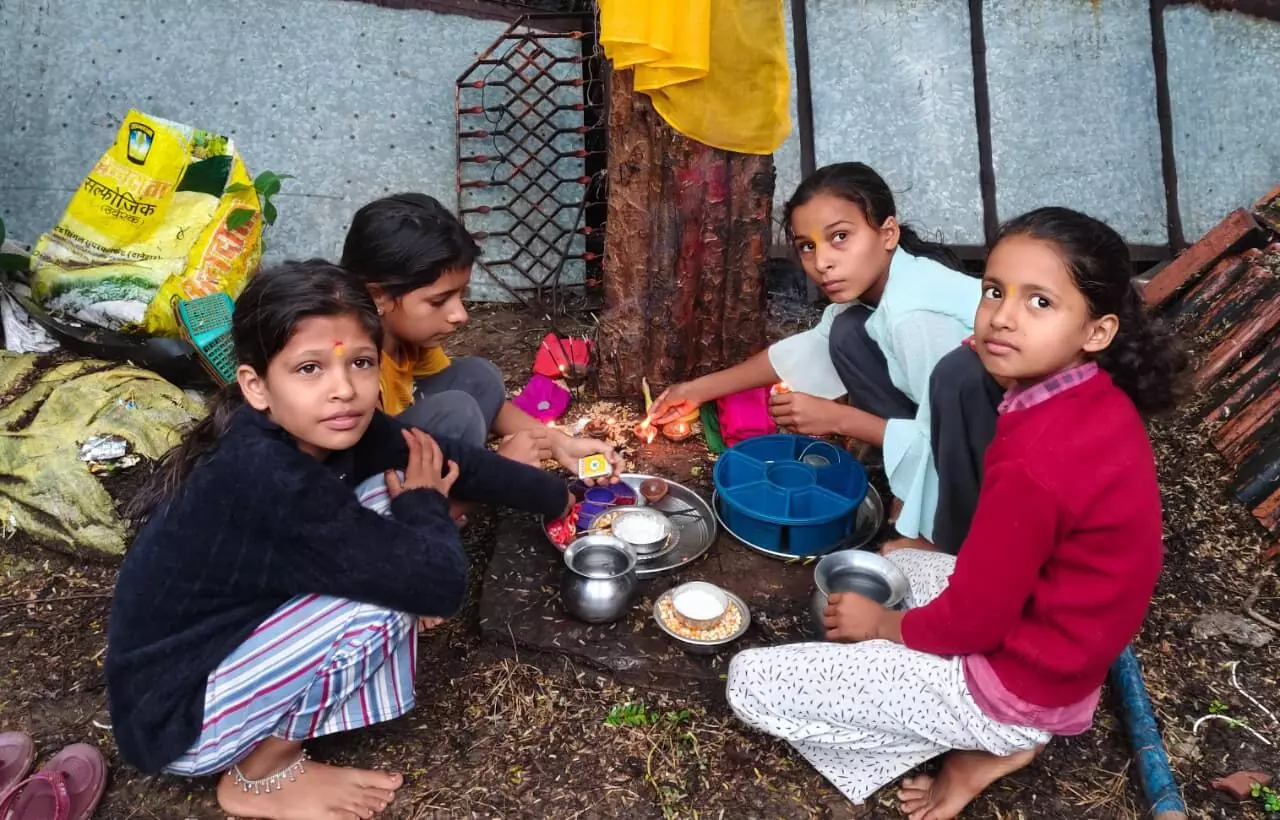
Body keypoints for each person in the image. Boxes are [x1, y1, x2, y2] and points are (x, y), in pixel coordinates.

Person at [726, 207, 1186, 820]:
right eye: (995, 291)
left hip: (1021, 681)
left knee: (751, 683)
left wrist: (880, 629)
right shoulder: (1085, 395)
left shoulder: (1037, 459)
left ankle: (988, 742)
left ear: (1096, 331)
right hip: (1068, 648)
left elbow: (975, 624)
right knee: (896, 560)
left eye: (1039, 303)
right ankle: (974, 719)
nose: (1002, 316)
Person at [106, 261, 572, 820]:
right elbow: (438, 588)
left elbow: (447, 458)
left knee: (386, 484)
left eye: (360, 362)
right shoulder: (267, 478)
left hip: (221, 646)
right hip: (178, 719)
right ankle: (260, 774)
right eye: (309, 368)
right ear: (257, 386)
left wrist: (556, 496)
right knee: (387, 601)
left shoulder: (323, 429)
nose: (343, 389)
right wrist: (423, 503)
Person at [647, 163, 984, 552]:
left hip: (993, 453)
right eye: (808, 245)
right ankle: (911, 481)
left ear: (887, 233)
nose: (821, 262)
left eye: (840, 237)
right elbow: (813, 346)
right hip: (950, 428)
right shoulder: (882, 289)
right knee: (847, 332)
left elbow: (947, 437)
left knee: (908, 558)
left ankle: (947, 528)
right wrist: (697, 390)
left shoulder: (915, 318)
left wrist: (838, 418)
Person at [340, 193, 620, 476]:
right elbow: (361, 498)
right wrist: (501, 471)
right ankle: (453, 503)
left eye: (462, 295)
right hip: (375, 495)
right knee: (457, 412)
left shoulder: (403, 337)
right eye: (438, 301)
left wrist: (560, 443)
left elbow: (487, 399)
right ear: (379, 296)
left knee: (477, 376)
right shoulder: (352, 368)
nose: (460, 315)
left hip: (392, 447)